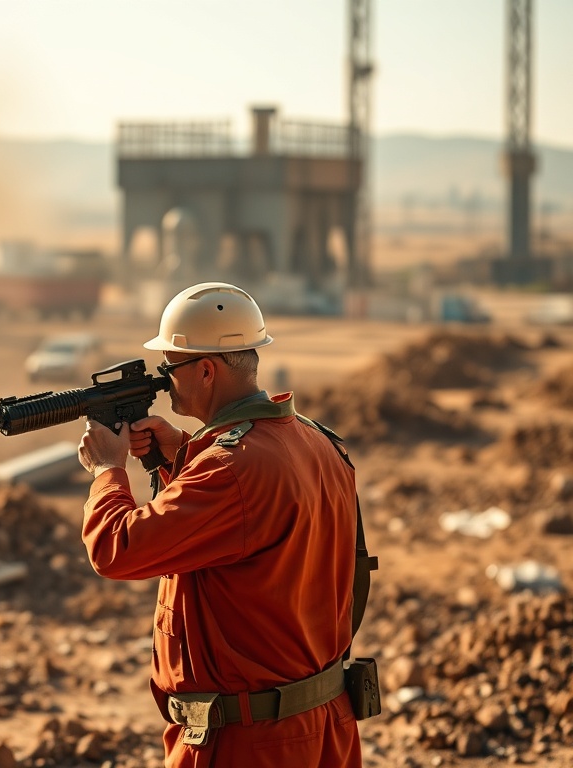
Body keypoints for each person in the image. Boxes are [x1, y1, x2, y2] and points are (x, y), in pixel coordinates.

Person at [78, 281, 365, 767]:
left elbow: (116, 549)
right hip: (323, 724)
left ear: (206, 371)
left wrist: (108, 469)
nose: (163, 381)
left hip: (249, 743)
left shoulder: (230, 470)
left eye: (170, 368)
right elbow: (242, 535)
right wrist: (183, 453)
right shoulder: (315, 442)